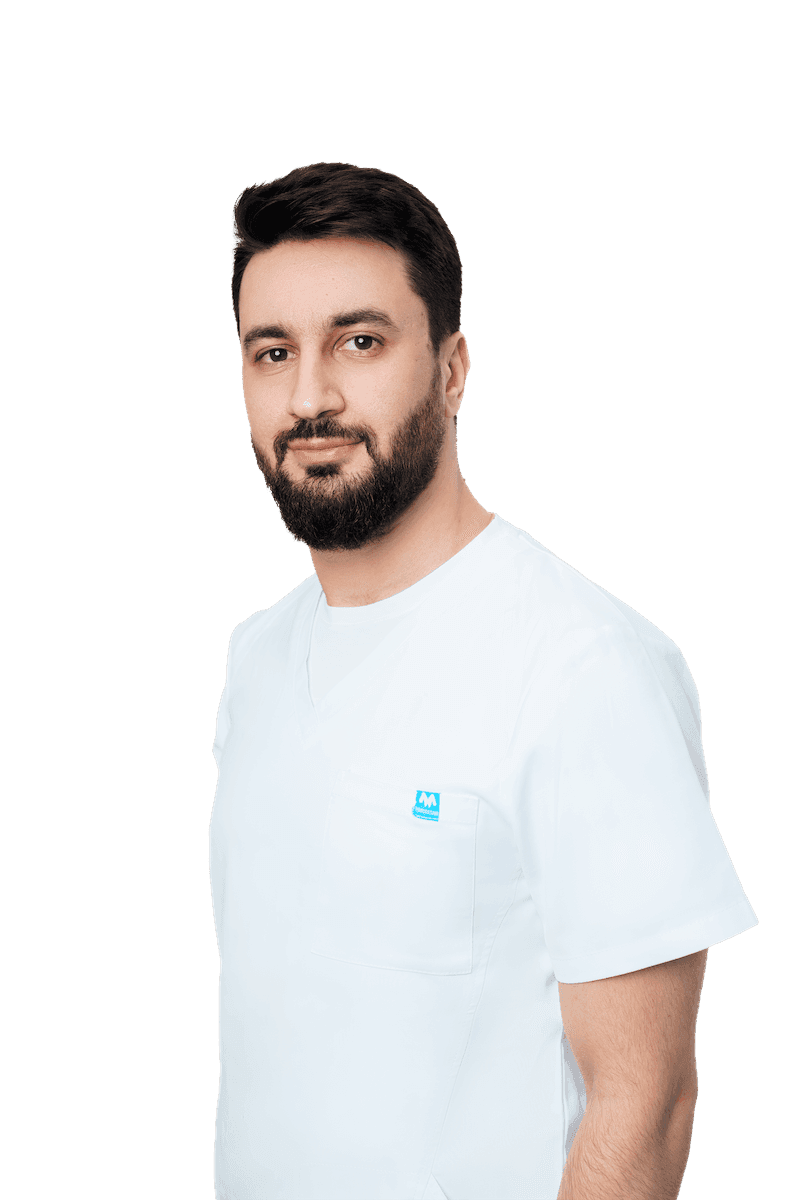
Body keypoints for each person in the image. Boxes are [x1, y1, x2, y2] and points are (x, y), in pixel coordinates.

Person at [209, 162, 758, 1200]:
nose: (309, 397)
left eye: (359, 342)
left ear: (452, 370)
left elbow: (643, 1106)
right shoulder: (257, 657)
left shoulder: (583, 667)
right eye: (272, 352)